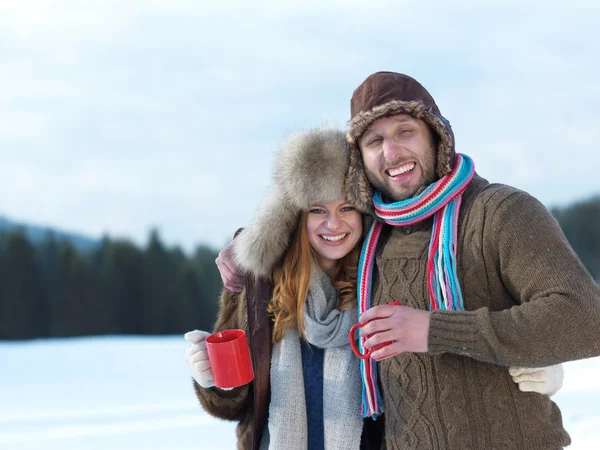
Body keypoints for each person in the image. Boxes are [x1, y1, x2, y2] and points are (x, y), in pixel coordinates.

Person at [215, 72, 598, 449]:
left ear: (436, 134)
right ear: (360, 160)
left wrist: (441, 331)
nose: (392, 152)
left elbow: (586, 318)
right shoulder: (369, 242)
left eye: (405, 131)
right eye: (374, 141)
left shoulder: (499, 212)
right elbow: (305, 240)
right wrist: (247, 243)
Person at [185, 128, 377, 450]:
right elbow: (230, 404)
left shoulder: (380, 281)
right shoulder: (261, 286)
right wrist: (211, 378)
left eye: (346, 208)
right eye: (318, 210)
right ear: (296, 217)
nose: (333, 224)